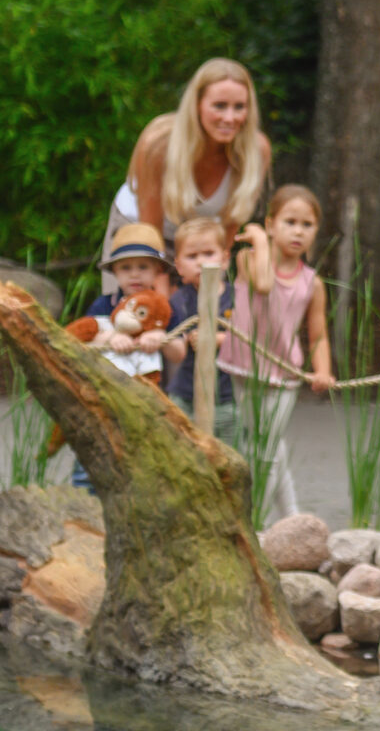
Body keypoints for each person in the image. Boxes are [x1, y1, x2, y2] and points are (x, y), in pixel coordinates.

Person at [100, 58, 271, 293]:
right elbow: (150, 230)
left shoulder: (256, 151)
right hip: (140, 232)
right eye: (219, 106)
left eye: (239, 107)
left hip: (199, 243)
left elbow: (230, 227)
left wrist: (214, 278)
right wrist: (160, 292)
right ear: (197, 104)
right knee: (136, 313)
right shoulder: (159, 144)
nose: (230, 118)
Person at [218, 185, 336, 519]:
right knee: (267, 444)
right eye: (289, 222)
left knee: (265, 449)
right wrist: (257, 241)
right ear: (271, 224)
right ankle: (292, 517)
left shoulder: (312, 283)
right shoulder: (247, 259)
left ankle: (254, 521)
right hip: (243, 367)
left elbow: (317, 337)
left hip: (283, 374)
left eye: (307, 224)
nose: (298, 231)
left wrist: (322, 370)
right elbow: (264, 283)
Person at [67, 222, 174, 491]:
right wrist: (110, 338)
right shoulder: (105, 304)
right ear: (114, 271)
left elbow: (179, 351)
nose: (134, 274)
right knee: (92, 448)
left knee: (139, 458)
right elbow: (80, 337)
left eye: (143, 267)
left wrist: (161, 338)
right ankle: (84, 505)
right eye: (126, 267)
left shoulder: (163, 308)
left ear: (157, 270)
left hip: (146, 398)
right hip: (102, 394)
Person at [162, 217, 238, 445]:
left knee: (228, 452)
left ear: (225, 259)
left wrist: (221, 338)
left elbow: (252, 337)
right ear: (179, 265)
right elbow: (174, 347)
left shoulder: (237, 296)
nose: (201, 262)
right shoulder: (179, 301)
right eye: (192, 256)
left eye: (208, 254)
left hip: (227, 395)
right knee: (183, 448)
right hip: (185, 392)